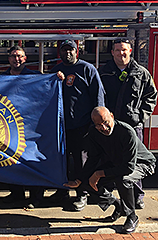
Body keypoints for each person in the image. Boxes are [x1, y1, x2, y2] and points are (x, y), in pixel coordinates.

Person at [64, 106, 156, 234]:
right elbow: (93, 158)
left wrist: (100, 173)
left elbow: (128, 167)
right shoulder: (94, 133)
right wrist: (79, 180)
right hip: (117, 163)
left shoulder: (127, 132)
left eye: (106, 122)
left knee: (124, 179)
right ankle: (117, 205)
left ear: (111, 116)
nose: (104, 128)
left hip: (141, 163)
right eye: (99, 125)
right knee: (87, 184)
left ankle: (132, 216)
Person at [98, 39, 158, 210]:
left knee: (134, 162)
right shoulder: (104, 72)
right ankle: (109, 194)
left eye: (123, 50)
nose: (121, 53)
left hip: (133, 127)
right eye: (117, 50)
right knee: (109, 158)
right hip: (110, 128)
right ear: (112, 53)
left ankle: (137, 196)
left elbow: (151, 96)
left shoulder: (141, 73)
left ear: (130, 51)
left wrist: (140, 116)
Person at [49, 39, 105, 211]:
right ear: (59, 52)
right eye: (64, 50)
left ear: (77, 51)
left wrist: (96, 122)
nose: (67, 53)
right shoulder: (55, 71)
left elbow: (98, 96)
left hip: (82, 126)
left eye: (70, 50)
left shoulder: (87, 69)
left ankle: (82, 194)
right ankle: (62, 190)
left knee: (81, 162)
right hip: (61, 127)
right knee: (61, 160)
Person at [1, 45, 44, 209]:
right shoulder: (0, 78)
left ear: (25, 59)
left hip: (32, 126)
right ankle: (16, 193)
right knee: (11, 160)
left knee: (32, 160)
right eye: (13, 56)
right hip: (10, 127)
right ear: (8, 59)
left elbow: (47, 89)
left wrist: (57, 78)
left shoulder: (35, 77)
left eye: (19, 56)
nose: (16, 59)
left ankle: (35, 197)